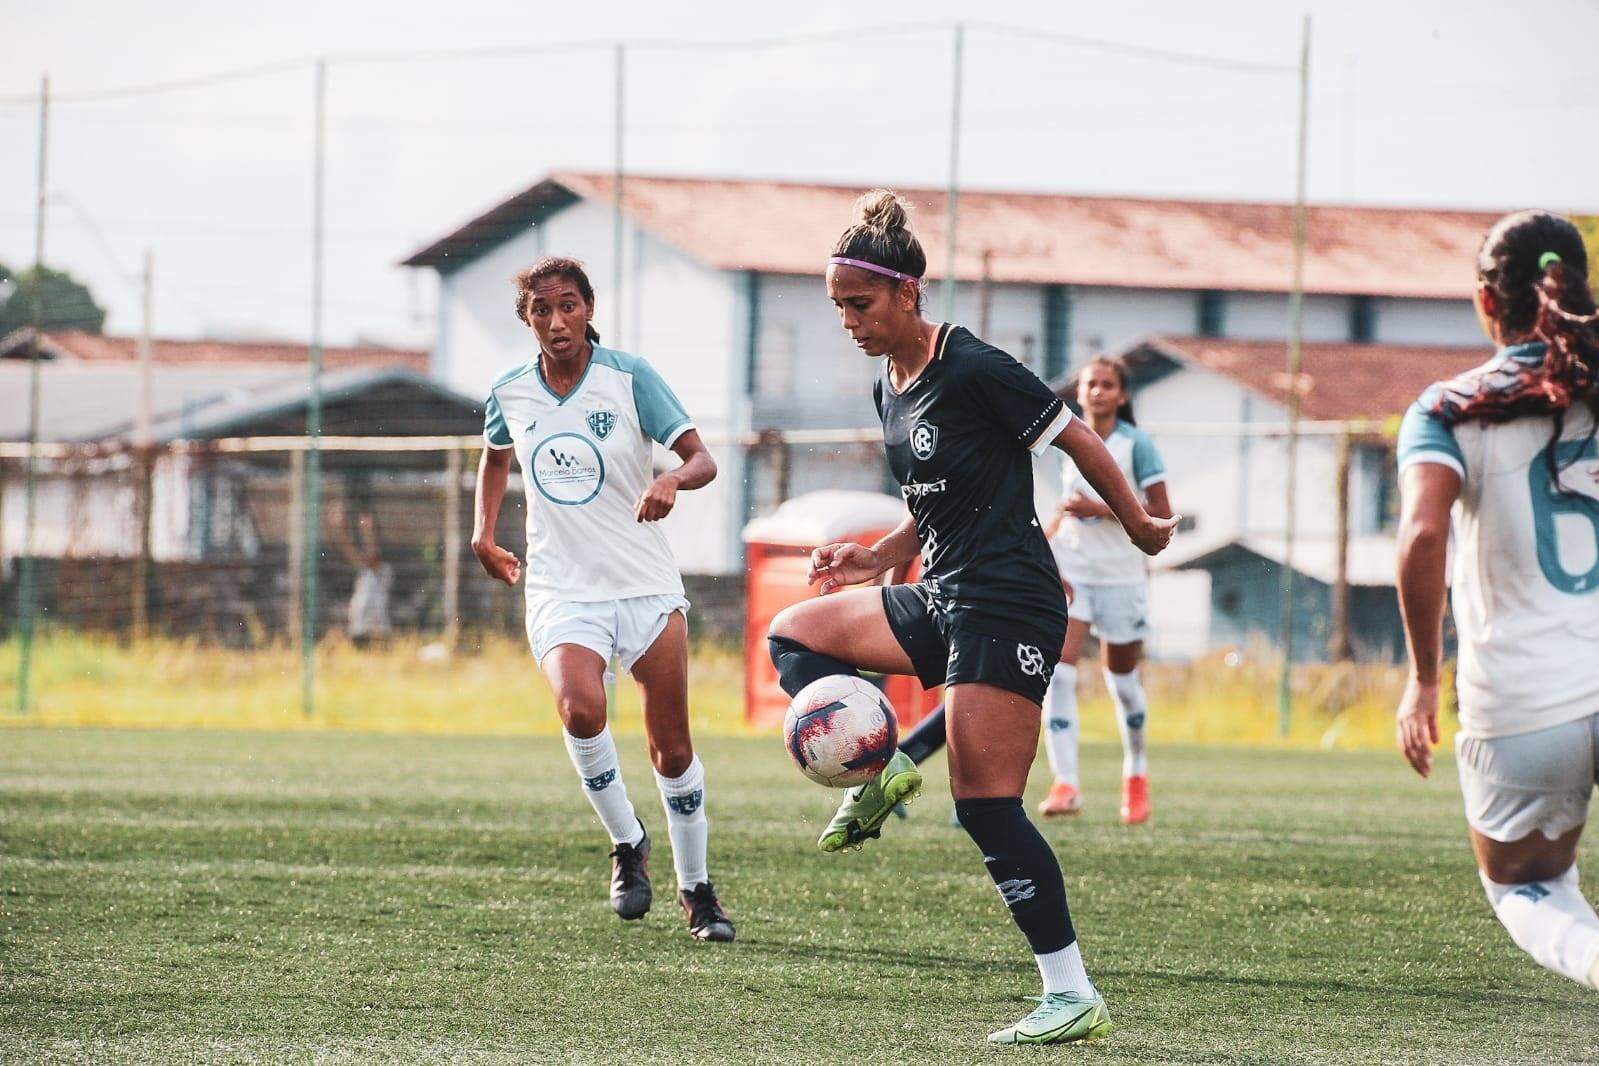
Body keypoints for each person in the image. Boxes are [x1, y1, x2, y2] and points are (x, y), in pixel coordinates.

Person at [767, 190, 1177, 1044]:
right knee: (795, 633)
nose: (847, 320)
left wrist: (1137, 521)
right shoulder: (889, 384)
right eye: (837, 305)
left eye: (860, 303)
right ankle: (879, 769)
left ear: (909, 293)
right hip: (943, 590)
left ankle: (1070, 995)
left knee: (986, 805)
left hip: (1009, 598)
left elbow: (1074, 438)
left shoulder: (974, 364)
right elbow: (936, 496)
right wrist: (881, 556)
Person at [472, 256, 734, 942]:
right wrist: (482, 533)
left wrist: (673, 480)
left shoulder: (629, 377)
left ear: (588, 308)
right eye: (541, 311)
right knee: (579, 707)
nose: (556, 322)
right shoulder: (509, 390)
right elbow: (495, 456)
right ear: (526, 320)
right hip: (563, 588)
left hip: (645, 585)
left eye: (568, 306)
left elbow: (702, 457)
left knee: (670, 751)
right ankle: (627, 842)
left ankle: (698, 891)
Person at [1395, 209, 1599, 991]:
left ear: (1486, 300)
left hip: (1524, 699)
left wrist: (1419, 678)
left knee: (1526, 886)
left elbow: (1420, 537)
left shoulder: (1449, 405)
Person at [1038, 357, 1171, 824]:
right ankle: (1066, 782)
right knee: (1059, 672)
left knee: (1123, 684)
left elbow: (1160, 515)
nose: (1097, 391)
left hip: (1122, 578)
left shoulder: (1137, 445)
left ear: (1122, 395)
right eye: (1091, 383)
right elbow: (1066, 507)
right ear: (1079, 392)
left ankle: (1135, 773)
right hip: (1075, 572)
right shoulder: (1068, 439)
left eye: (1107, 385)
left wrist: (1102, 508)